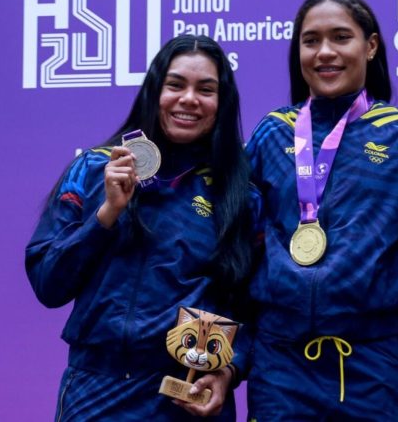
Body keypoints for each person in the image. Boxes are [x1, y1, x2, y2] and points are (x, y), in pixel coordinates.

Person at [26, 35, 254, 421]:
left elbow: (258, 304)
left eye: (206, 89)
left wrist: (229, 371)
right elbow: (49, 283)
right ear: (154, 92)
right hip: (97, 390)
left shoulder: (240, 194)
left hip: (188, 393)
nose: (189, 99)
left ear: (222, 103)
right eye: (176, 84)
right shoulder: (95, 169)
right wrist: (106, 214)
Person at [244, 0, 398, 421]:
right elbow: (237, 244)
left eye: (341, 37)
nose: (325, 52)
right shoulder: (272, 132)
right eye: (311, 40)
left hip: (371, 365)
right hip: (280, 365)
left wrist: (391, 289)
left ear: (370, 46)